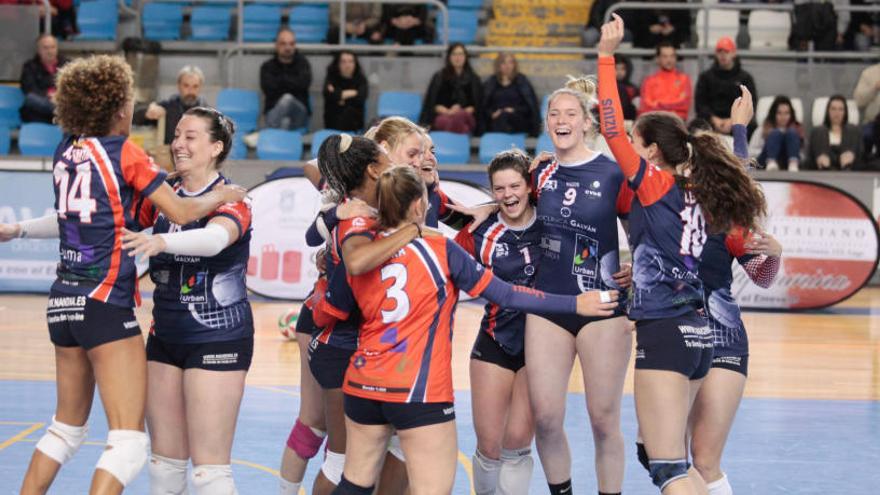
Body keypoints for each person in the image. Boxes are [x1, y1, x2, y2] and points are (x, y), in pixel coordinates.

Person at [0, 54, 245, 495]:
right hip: (106, 304)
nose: (178, 142)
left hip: (62, 302)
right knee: (129, 442)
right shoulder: (124, 154)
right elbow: (187, 211)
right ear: (118, 107)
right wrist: (223, 194)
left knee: (65, 429)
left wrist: (17, 229)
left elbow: (74, 217)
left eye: (189, 135)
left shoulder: (66, 150)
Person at [313, 165, 620, 495]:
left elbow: (329, 310)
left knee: (355, 482)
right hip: (418, 389)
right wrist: (576, 305)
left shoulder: (360, 254)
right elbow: (506, 294)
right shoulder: (442, 251)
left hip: (364, 383)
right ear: (419, 205)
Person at [598, 15, 767, 494]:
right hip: (697, 333)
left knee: (669, 467)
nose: (627, 149)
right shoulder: (704, 191)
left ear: (651, 153)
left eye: (636, 144)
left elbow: (610, 127)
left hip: (665, 328)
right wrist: (739, 132)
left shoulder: (654, 186)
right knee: (665, 458)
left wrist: (606, 58)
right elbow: (735, 179)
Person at [119, 107, 253, 494]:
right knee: (164, 465)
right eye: (177, 134)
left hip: (218, 339)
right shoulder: (164, 195)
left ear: (215, 147)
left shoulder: (234, 198)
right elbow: (108, 221)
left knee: (208, 471)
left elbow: (214, 241)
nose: (178, 143)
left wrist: (161, 241)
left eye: (190, 136)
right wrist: (21, 230)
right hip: (165, 337)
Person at [526, 75, 635, 495]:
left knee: (604, 418)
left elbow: (641, 229)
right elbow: (509, 217)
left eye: (570, 113)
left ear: (588, 123)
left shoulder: (613, 173)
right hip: (549, 304)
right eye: (554, 114)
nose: (561, 120)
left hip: (604, 306)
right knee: (546, 418)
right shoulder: (538, 172)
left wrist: (635, 268)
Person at [308, 135, 423, 495]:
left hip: (375, 347)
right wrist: (412, 231)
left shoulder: (375, 206)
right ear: (373, 169)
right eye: (387, 154)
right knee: (344, 460)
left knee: (391, 452)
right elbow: (357, 260)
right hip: (342, 346)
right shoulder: (355, 213)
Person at [687, 94, 784, 495]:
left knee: (705, 460)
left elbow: (761, 276)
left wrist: (774, 254)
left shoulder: (727, 220)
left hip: (724, 339)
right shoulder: (666, 206)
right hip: (674, 336)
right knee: (668, 455)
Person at [454, 150, 542, 495]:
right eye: (500, 189)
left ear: (529, 186)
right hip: (495, 339)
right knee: (490, 446)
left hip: (543, 347)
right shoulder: (480, 231)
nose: (508, 195)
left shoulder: (552, 221)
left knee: (518, 442)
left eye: (515, 186)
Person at [694, 37, 757, 135]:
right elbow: (700, 104)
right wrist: (714, 119)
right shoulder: (705, 77)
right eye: (720, 51)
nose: (723, 55)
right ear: (716, 54)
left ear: (733, 54)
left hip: (737, 120)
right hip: (710, 121)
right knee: (695, 125)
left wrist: (733, 120)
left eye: (726, 51)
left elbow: (750, 103)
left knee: (752, 126)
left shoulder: (745, 78)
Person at [133, 65, 207, 145]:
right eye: (186, 85)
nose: (190, 91)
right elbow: (134, 117)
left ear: (201, 87)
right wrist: (147, 113)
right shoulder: (167, 108)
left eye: (195, 86)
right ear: (178, 86)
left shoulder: (208, 114)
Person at [420, 43, 482, 135]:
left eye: (461, 54)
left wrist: (460, 112)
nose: (458, 57)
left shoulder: (474, 79)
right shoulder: (439, 77)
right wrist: (449, 112)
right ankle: (460, 136)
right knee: (444, 121)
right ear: (449, 57)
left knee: (460, 116)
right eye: (454, 54)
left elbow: (476, 105)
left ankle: (450, 143)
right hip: (444, 116)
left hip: (466, 116)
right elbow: (433, 104)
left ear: (466, 57)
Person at [261, 28, 312, 130]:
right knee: (285, 123)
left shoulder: (303, 64)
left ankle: (266, 132)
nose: (288, 47)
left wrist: (280, 81)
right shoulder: (267, 66)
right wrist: (292, 82)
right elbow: (268, 88)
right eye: (283, 44)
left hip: (299, 114)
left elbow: (303, 84)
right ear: (276, 45)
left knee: (287, 99)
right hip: (274, 111)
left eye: (291, 44)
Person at [481, 53, 541, 136]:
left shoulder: (522, 81)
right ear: (498, 65)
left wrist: (514, 110)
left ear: (514, 65)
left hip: (518, 119)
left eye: (510, 62)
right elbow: (484, 106)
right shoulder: (491, 82)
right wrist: (492, 113)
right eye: (503, 63)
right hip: (497, 120)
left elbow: (530, 107)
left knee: (505, 116)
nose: (507, 66)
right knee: (501, 118)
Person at [805, 95, 864, 170]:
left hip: (849, 168)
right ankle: (824, 166)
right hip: (823, 168)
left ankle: (847, 166)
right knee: (820, 130)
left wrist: (852, 157)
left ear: (845, 112)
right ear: (828, 111)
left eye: (841, 109)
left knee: (852, 129)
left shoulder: (854, 131)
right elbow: (810, 156)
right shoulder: (817, 132)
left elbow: (861, 154)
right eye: (833, 109)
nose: (837, 113)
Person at [20, 33, 67, 124]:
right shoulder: (29, 66)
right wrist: (48, 94)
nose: (50, 51)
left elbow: (73, 87)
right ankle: (58, 112)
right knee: (31, 99)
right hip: (41, 106)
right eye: (45, 48)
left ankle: (57, 112)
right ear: (39, 50)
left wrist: (57, 96)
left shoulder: (67, 64)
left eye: (52, 47)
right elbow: (29, 89)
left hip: (60, 101)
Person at [638, 42, 691, 121]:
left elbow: (683, 104)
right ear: (658, 59)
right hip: (655, 122)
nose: (669, 60)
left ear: (676, 58)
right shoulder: (649, 81)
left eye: (672, 56)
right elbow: (646, 106)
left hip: (677, 123)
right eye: (665, 56)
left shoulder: (684, 79)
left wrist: (658, 103)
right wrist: (671, 108)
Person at [748, 96, 804, 171]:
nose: (783, 117)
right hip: (765, 162)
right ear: (773, 114)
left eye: (786, 113)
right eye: (779, 113)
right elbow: (751, 153)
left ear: (791, 115)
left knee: (791, 133)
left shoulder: (797, 130)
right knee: (776, 133)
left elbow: (803, 155)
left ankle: (793, 163)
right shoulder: (762, 129)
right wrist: (769, 148)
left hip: (789, 163)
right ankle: (771, 162)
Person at [323, 51, 368, 132]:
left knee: (349, 111)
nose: (347, 65)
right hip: (333, 124)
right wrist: (354, 93)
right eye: (343, 62)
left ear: (355, 64)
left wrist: (339, 96)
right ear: (338, 64)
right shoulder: (331, 78)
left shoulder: (361, 79)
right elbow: (328, 95)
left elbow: (361, 98)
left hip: (354, 125)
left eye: (350, 61)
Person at [614, 55, 638, 121]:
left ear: (628, 70)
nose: (619, 72)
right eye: (616, 68)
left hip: (628, 122)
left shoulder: (633, 88)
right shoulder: (604, 87)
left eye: (622, 69)